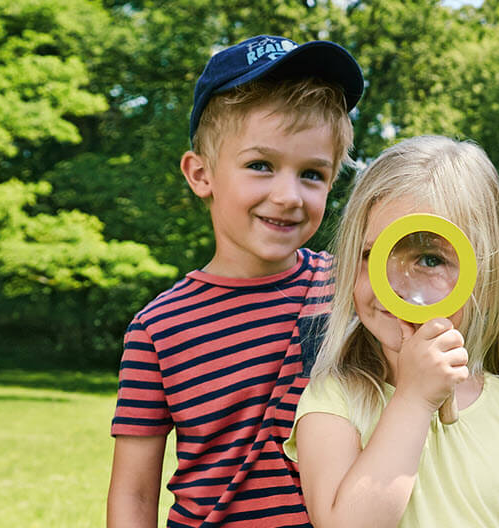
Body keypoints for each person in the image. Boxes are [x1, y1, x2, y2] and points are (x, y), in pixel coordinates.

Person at [106, 35, 363, 527]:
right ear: (201, 174)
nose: (288, 195)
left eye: (312, 174)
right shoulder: (157, 330)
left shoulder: (351, 291)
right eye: (260, 166)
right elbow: (134, 496)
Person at [285, 135, 499, 527]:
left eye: (429, 258)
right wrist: (414, 401)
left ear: (484, 283)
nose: (394, 283)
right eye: (373, 254)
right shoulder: (333, 401)